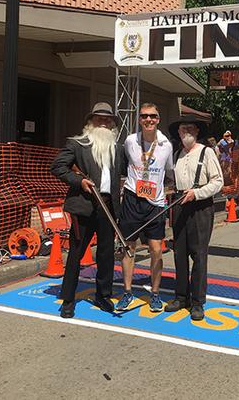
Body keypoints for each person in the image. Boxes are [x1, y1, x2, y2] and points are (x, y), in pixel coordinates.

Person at [51, 102, 123, 318]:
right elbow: (58, 167)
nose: (103, 122)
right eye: (99, 118)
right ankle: (68, 299)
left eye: (107, 119)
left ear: (112, 123)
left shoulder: (116, 147)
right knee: (76, 253)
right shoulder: (76, 144)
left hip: (108, 207)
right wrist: (78, 182)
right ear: (91, 121)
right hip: (83, 206)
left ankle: (103, 295)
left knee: (106, 254)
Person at [116, 103, 174, 312]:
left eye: (153, 116)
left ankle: (155, 294)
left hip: (155, 203)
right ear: (139, 119)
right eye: (144, 116)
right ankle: (128, 292)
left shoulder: (166, 144)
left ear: (158, 119)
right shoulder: (130, 140)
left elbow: (169, 172)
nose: (148, 120)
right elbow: (123, 165)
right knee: (128, 247)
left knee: (156, 250)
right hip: (132, 198)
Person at [165, 115, 223, 321]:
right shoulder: (178, 154)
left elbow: (218, 182)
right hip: (180, 204)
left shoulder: (206, 152)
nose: (186, 131)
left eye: (190, 128)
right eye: (183, 129)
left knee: (198, 255)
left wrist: (197, 193)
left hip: (200, 206)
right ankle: (182, 297)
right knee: (179, 253)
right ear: (178, 133)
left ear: (197, 132)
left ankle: (198, 302)